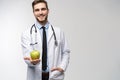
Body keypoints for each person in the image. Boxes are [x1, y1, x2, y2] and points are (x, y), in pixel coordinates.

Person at [21, 0, 70, 80]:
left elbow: (66, 52)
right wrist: (32, 62)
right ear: (33, 12)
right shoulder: (26, 34)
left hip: (55, 75)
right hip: (35, 76)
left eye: (43, 9)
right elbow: (27, 57)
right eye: (37, 10)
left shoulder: (59, 32)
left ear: (48, 11)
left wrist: (62, 67)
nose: (40, 13)